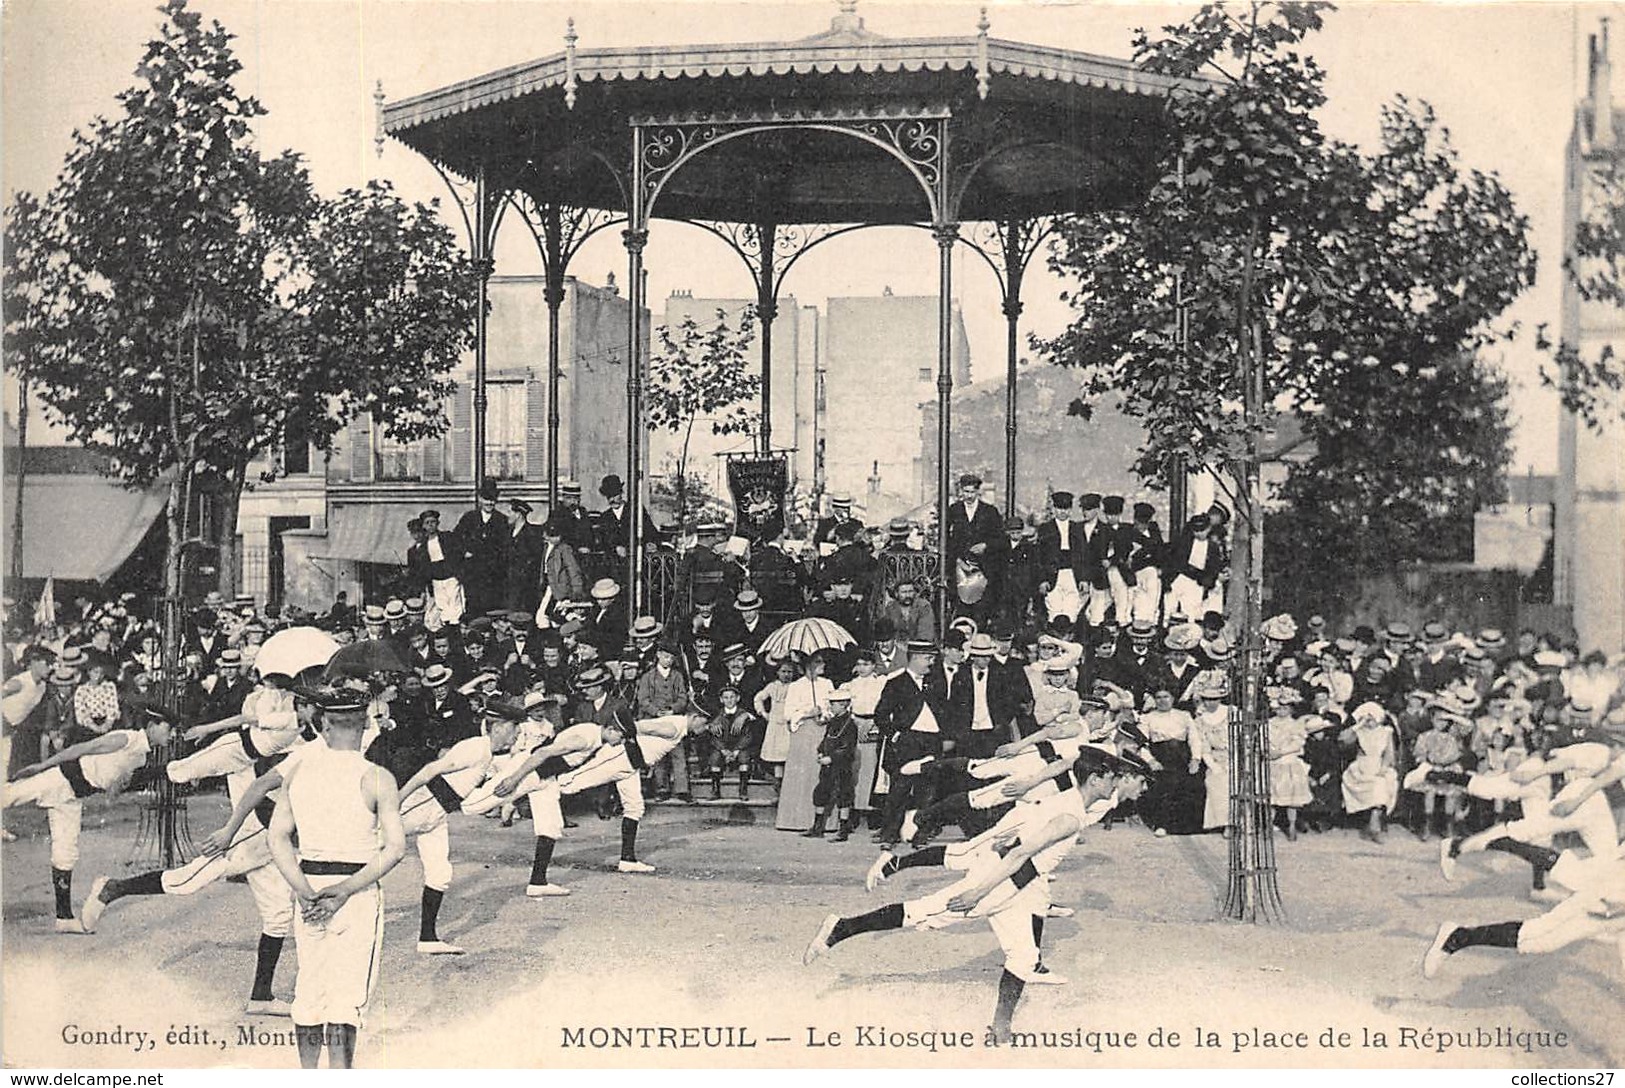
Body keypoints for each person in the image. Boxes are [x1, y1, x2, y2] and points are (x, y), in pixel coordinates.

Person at [805, 747, 1148, 1043]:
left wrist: (1007, 841)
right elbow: (1019, 856)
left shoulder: (1068, 800)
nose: (1115, 783)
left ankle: (1000, 1030)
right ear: (1094, 780)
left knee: (1024, 957)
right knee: (925, 912)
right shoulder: (1071, 816)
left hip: (1020, 884)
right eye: (1111, 778)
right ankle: (841, 928)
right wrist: (978, 891)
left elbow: (1026, 833)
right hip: (1002, 880)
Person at [266, 685, 407, 1070]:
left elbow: (276, 837)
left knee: (310, 990)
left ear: (324, 726)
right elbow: (395, 848)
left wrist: (303, 890)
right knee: (346, 999)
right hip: (354, 893)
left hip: (308, 890)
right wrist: (342, 891)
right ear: (363, 727)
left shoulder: (298, 771)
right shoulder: (378, 777)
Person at [4, 707, 175, 932]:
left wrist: (118, 788)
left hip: (74, 797)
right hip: (60, 778)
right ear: (152, 725)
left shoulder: (141, 758)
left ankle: (64, 918)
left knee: (66, 853)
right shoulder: (126, 738)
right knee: (8, 796)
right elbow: (82, 748)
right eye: (169, 729)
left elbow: (110, 791)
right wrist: (43, 766)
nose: (171, 735)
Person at [393, 706, 523, 953]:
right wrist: (397, 800)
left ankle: (428, 939)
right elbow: (430, 770)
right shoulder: (476, 748)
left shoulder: (488, 753)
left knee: (439, 874)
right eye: (515, 727)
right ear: (498, 727)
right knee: (369, 844)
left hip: (438, 815)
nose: (517, 733)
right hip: (423, 803)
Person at [777, 652, 835, 832]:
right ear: (808, 665)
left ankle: (822, 820)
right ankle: (796, 820)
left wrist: (824, 716)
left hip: (821, 732)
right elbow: (788, 713)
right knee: (801, 775)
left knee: (820, 774)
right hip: (802, 734)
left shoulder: (827, 684)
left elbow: (833, 708)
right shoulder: (796, 686)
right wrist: (808, 713)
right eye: (818, 662)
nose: (822, 664)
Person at [806, 685, 860, 839]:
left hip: (841, 765)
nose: (830, 706)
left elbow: (848, 747)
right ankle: (817, 827)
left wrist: (832, 757)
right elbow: (825, 740)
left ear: (843, 704)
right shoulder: (833, 721)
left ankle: (843, 830)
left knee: (844, 794)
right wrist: (820, 752)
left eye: (833, 704)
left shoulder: (850, 724)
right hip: (827, 764)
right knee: (821, 792)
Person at [407, 509, 466, 628]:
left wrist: (458, 573)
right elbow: (422, 568)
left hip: (451, 578)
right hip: (435, 581)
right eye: (427, 523)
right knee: (442, 611)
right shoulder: (423, 546)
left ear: (438, 523)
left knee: (456, 610)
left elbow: (459, 554)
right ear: (423, 525)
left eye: (433, 522)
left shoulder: (447, 537)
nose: (430, 525)